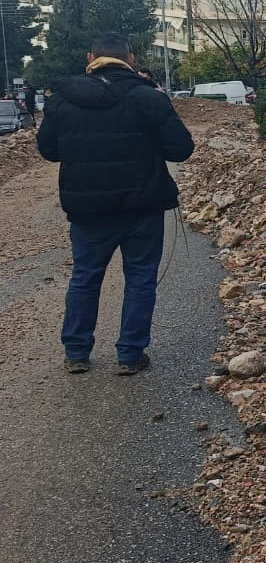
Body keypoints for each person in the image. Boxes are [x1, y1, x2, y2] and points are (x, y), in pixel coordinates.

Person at [37, 32, 195, 375]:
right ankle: (130, 354)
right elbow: (180, 149)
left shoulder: (63, 99)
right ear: (131, 59)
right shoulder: (148, 98)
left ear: (90, 57)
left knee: (85, 277)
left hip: (88, 210)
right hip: (142, 207)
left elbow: (49, 151)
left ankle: (76, 352)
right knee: (140, 279)